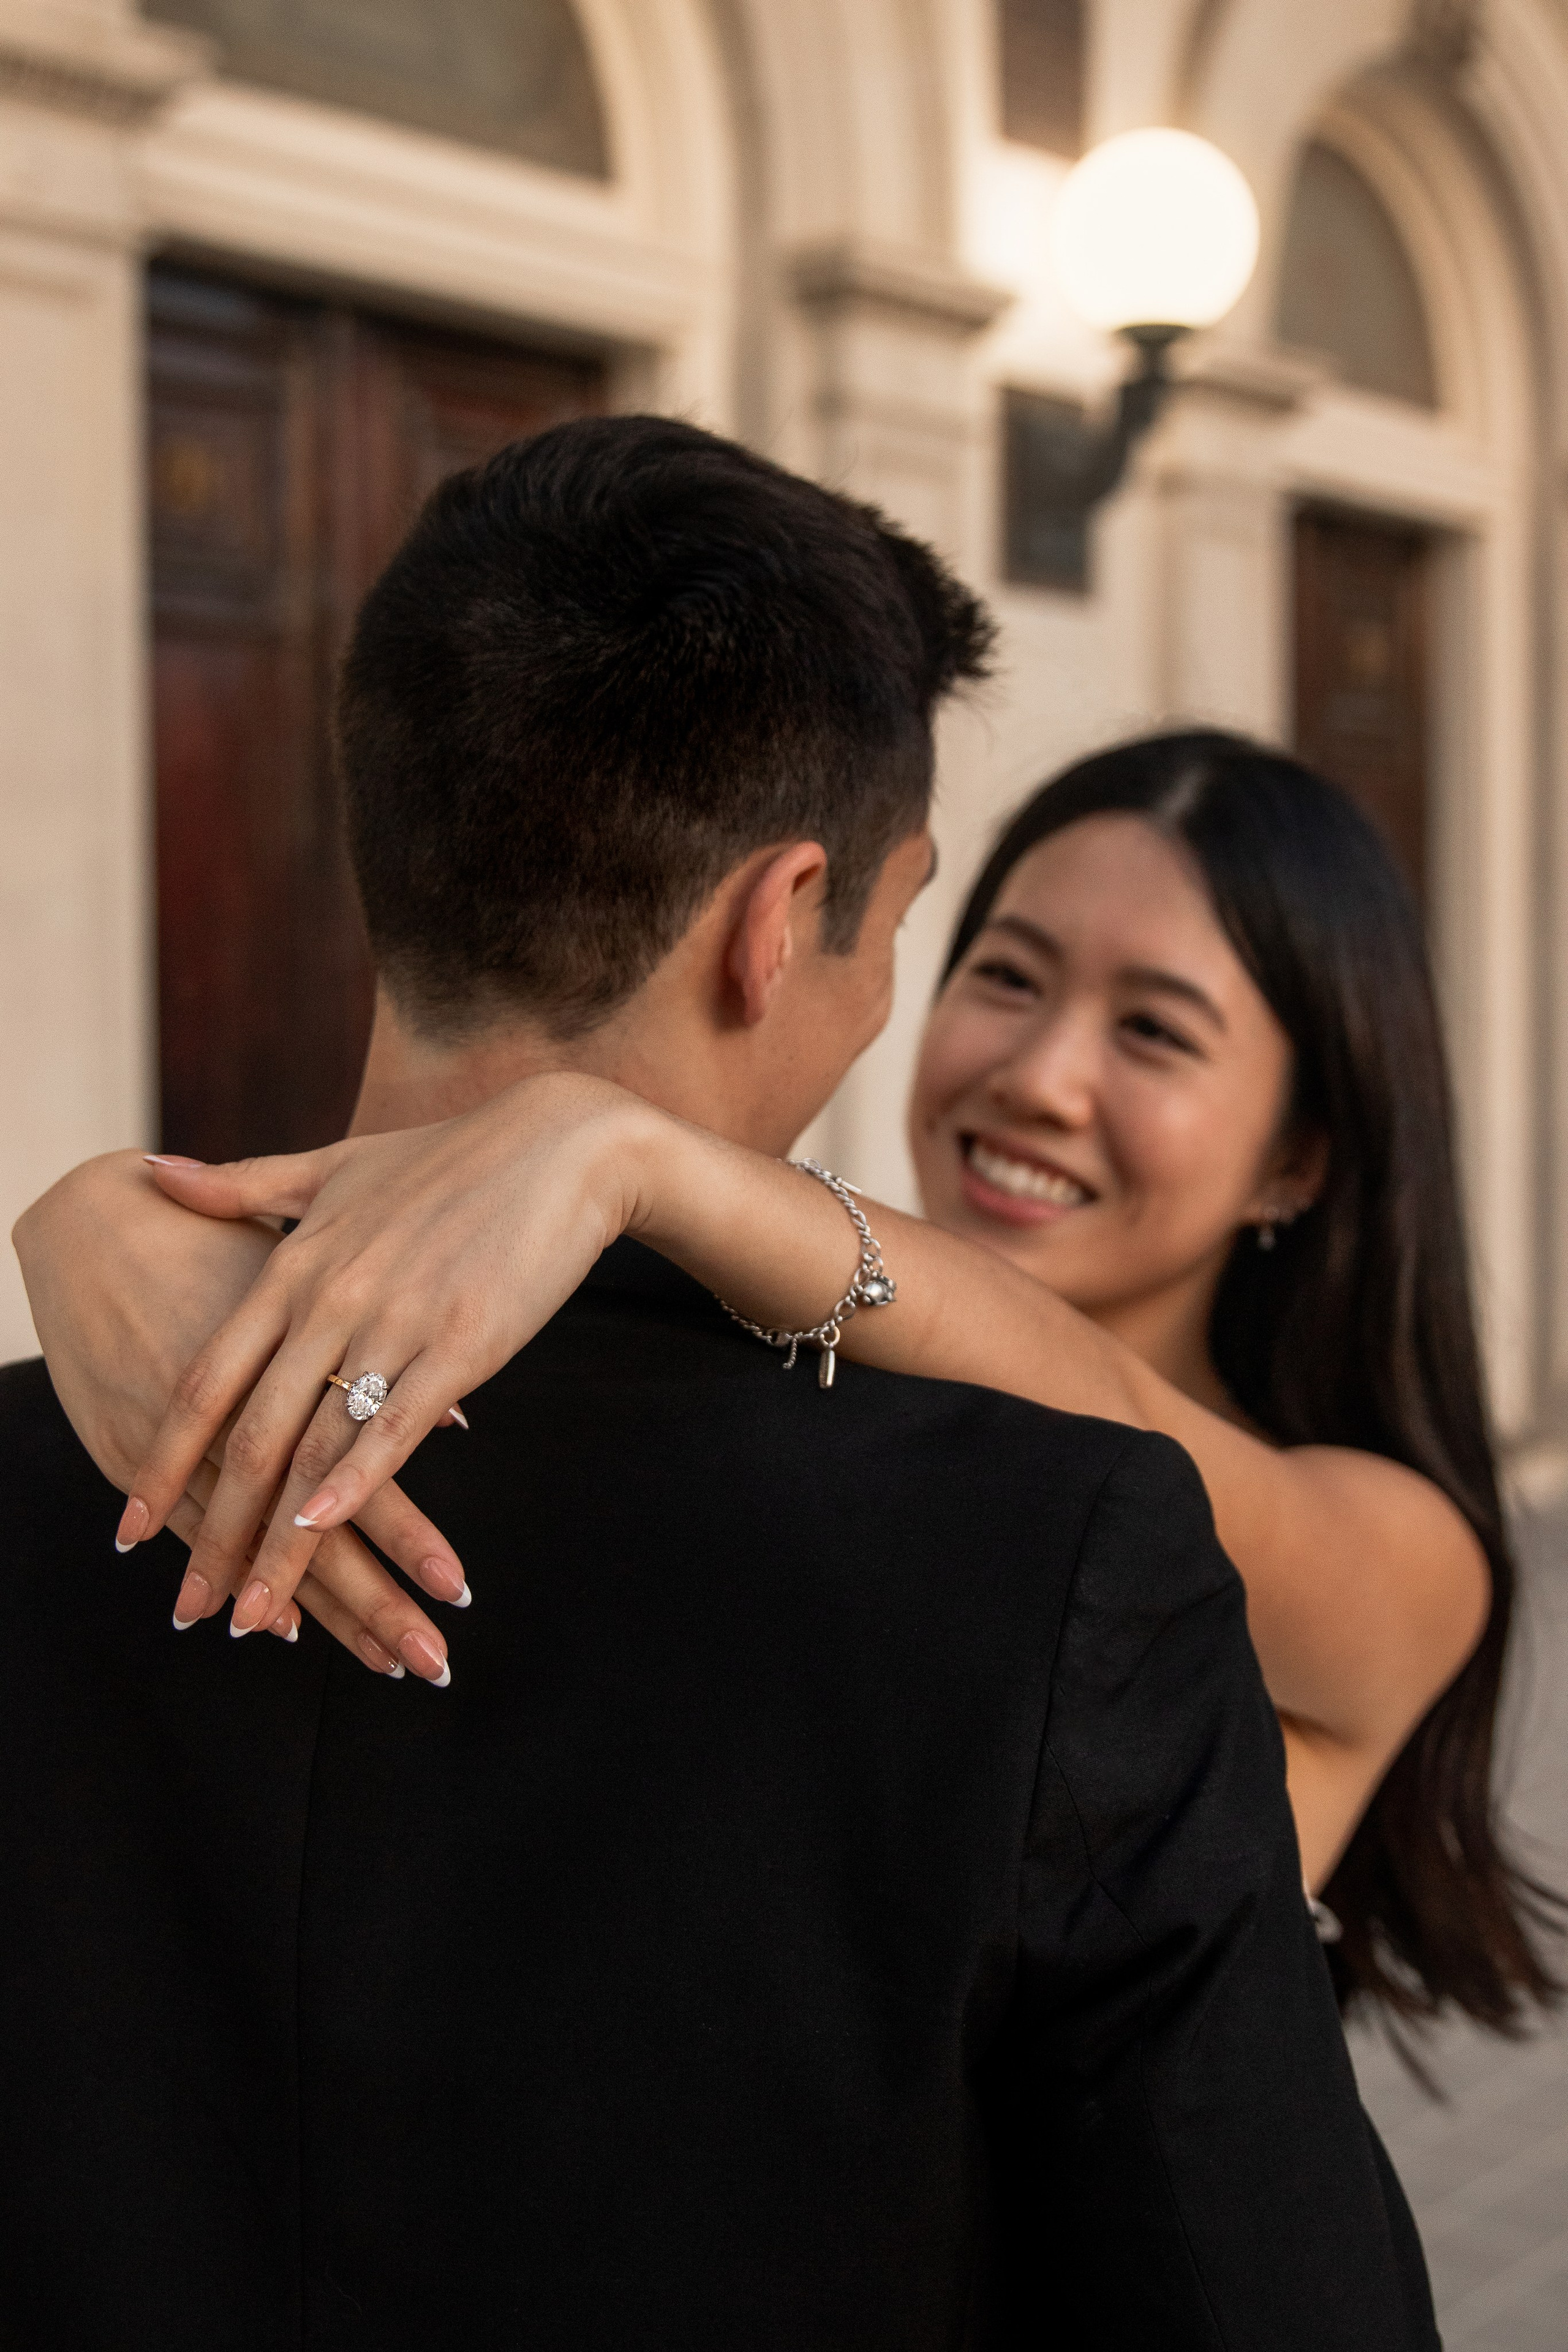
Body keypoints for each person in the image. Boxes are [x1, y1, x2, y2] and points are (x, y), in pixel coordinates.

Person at [4, 417, 1438, 2346]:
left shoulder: (58, 1439)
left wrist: (97, 1204)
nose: (1020, 1071)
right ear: (783, 923)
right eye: (946, 940)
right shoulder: (1048, 1565)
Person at [45, 736, 1558, 2044]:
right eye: (1004, 976)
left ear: (1298, 1154)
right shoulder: (778, 1401)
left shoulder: (1398, 1551)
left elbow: (1136, 1447)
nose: (1035, 1074)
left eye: (1152, 1030)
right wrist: (91, 1219)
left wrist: (634, 1155)